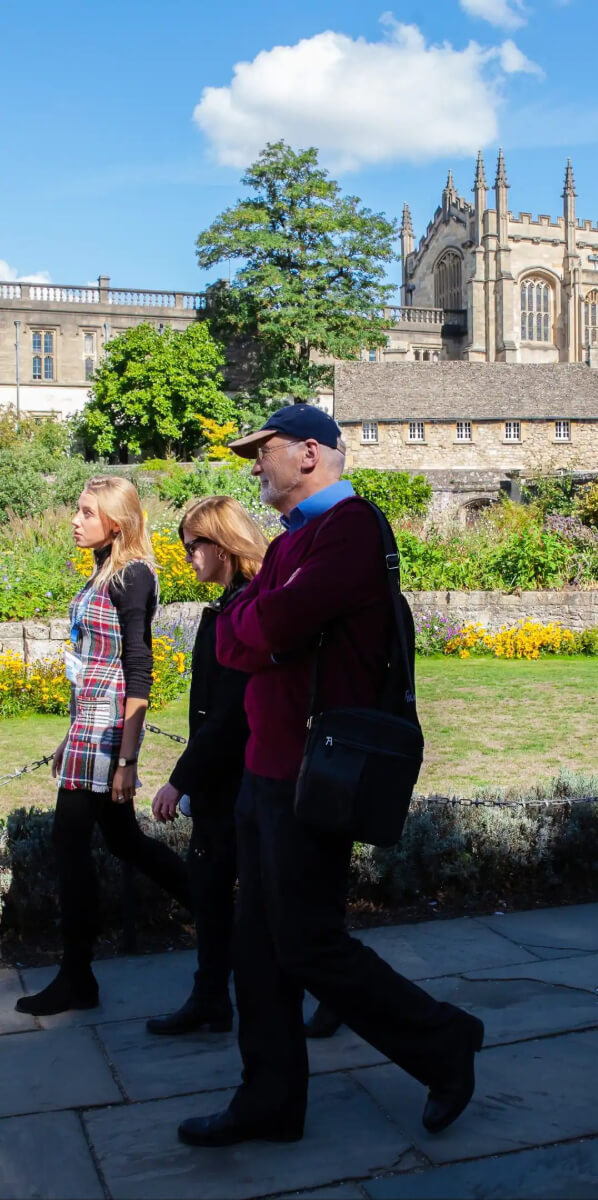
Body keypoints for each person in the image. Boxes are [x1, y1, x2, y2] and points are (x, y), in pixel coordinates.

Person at [177, 404, 483, 1148]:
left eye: (265, 452)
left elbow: (261, 631)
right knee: (260, 946)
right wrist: (258, 624)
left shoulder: (347, 529)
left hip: (310, 774)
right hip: (267, 770)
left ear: (310, 452)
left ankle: (442, 1042)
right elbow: (243, 632)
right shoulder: (296, 541)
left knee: (309, 942)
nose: (255, 467)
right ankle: (270, 1100)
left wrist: (258, 626)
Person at [16, 477, 191, 1017]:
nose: (75, 519)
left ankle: (77, 978)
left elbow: (139, 666)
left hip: (106, 727)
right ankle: (227, 915)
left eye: (86, 512)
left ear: (116, 521)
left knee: (72, 845)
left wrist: (127, 760)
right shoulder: (105, 569)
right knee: (124, 842)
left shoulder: (132, 577)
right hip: (87, 723)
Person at [147, 496, 267, 1035]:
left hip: (242, 775)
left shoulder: (245, 608)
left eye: (193, 546)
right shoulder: (228, 606)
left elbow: (230, 711)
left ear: (222, 544)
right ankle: (211, 996)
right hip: (227, 774)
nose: (188, 557)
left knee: (257, 899)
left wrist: (180, 779)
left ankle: (329, 994)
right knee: (212, 887)